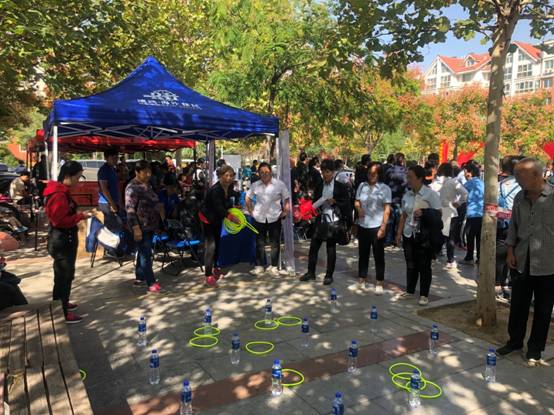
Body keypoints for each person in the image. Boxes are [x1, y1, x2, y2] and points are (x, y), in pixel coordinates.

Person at [497, 158, 554, 366]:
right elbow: (514, 226)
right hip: (521, 259)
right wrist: (510, 250)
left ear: (537, 175)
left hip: (548, 263)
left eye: (520, 175)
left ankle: (535, 349)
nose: (517, 179)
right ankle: (514, 342)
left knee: (543, 309)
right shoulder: (520, 197)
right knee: (518, 305)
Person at [44, 161, 93, 323]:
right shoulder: (58, 194)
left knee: (66, 275)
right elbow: (59, 221)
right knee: (63, 277)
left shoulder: (62, 192)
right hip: (62, 240)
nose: (78, 182)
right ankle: (62, 312)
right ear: (67, 177)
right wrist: (80, 216)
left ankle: (62, 303)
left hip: (64, 239)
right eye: (77, 178)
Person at [299, 159, 352, 285]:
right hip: (321, 219)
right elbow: (315, 201)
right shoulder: (320, 185)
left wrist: (335, 202)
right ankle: (310, 273)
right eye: (323, 172)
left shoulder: (340, 186)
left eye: (327, 172)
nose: (325, 175)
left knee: (330, 248)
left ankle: (329, 275)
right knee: (313, 247)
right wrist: (316, 205)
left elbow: (346, 204)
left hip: (334, 221)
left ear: (333, 172)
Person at [395, 165, 442, 306]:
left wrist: (424, 212)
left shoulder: (430, 194)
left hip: (424, 236)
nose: (408, 180)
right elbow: (403, 215)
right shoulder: (407, 195)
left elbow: (439, 214)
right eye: (407, 177)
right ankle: (410, 290)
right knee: (410, 264)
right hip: (409, 233)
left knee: (424, 265)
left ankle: (424, 294)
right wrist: (399, 233)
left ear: (420, 178)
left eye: (411, 177)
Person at [125, 160, 164, 293]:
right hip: (141, 226)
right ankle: (151, 282)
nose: (148, 174)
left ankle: (140, 277)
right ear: (137, 172)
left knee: (143, 252)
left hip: (150, 224)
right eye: (145, 172)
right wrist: (136, 228)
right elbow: (130, 209)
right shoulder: (132, 187)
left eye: (149, 172)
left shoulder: (147, 184)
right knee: (146, 254)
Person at [198, 165, 241, 287]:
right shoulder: (215, 190)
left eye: (231, 175)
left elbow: (229, 200)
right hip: (207, 219)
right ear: (221, 176)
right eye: (226, 175)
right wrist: (231, 217)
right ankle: (208, 275)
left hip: (217, 219)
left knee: (217, 243)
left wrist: (234, 206)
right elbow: (219, 208)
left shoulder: (230, 187)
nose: (229, 178)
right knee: (211, 246)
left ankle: (216, 267)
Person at [246, 162, 290, 276]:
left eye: (266, 172)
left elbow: (286, 198)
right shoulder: (255, 185)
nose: (264, 174)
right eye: (262, 172)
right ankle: (259, 266)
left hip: (274, 217)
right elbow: (248, 197)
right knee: (259, 243)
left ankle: (274, 266)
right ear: (258, 174)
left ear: (271, 172)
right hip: (259, 217)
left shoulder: (279, 184)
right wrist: (251, 211)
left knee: (275, 243)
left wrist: (285, 211)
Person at [354, 162, 391, 294]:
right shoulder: (362, 186)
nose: (371, 176)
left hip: (377, 225)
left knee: (378, 255)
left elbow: (387, 209)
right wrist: (358, 209)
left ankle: (379, 281)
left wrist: (383, 227)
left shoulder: (385, 189)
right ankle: (361, 279)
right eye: (369, 173)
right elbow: (357, 201)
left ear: (379, 174)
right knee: (363, 254)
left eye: (374, 174)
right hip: (363, 224)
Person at [430, 163, 468, 268]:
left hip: (438, 211)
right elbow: (465, 193)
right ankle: (450, 260)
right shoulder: (453, 182)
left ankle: (433, 254)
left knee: (438, 234)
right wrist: (459, 203)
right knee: (449, 237)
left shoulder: (435, 183)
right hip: (450, 211)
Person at [495, 156, 522, 300]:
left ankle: (498, 285)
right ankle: (510, 286)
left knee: (500, 255)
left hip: (501, 223)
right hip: (516, 224)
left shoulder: (499, 184)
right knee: (515, 255)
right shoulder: (521, 186)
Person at [97, 150, 121, 254]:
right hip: (106, 202)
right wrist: (112, 204)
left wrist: (119, 202)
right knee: (112, 226)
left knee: (117, 225)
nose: (116, 160)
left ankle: (114, 248)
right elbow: (104, 189)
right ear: (106, 158)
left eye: (117, 157)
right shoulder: (103, 170)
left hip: (113, 201)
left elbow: (116, 187)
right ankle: (110, 250)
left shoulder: (113, 169)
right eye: (113, 158)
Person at [384, 153, 408, 246]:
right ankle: (397, 238)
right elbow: (406, 184)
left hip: (390, 197)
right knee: (399, 219)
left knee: (390, 219)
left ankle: (388, 239)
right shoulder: (405, 171)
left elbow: (385, 182)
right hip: (400, 198)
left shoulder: (389, 170)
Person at [463, 162, 484, 264]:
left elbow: (461, 194)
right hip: (481, 213)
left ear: (469, 172)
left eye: (465, 171)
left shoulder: (469, 183)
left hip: (472, 213)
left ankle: (469, 257)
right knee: (479, 237)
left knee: (469, 236)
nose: (464, 174)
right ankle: (480, 258)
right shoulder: (482, 182)